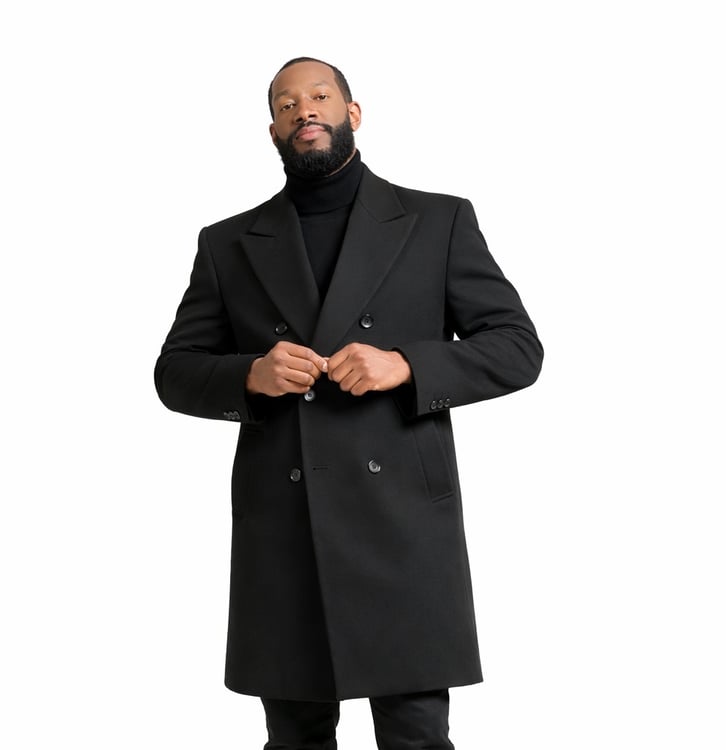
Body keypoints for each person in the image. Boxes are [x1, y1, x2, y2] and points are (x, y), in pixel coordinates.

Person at [154, 56, 543, 750]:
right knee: (295, 738)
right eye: (286, 104)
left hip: (404, 525)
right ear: (272, 130)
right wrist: (251, 374)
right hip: (286, 524)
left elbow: (517, 348)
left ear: (352, 114)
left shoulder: (437, 220)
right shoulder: (228, 243)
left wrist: (407, 364)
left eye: (320, 96)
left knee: (417, 737)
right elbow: (174, 373)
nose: (304, 109)